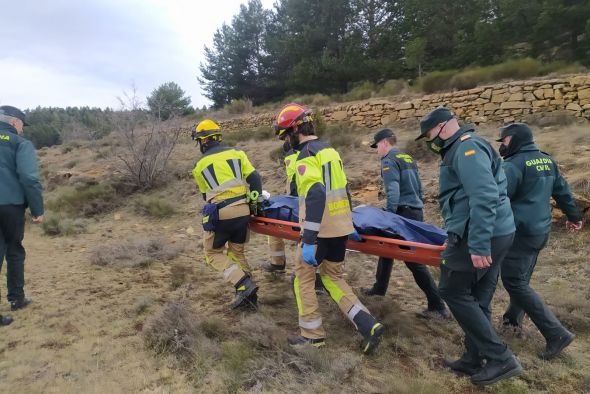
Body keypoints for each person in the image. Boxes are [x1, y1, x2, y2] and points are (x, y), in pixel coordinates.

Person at [416, 107, 521, 385]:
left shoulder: (467, 149)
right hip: (497, 231)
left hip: (481, 234)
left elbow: (484, 196)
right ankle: (474, 357)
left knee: (451, 289)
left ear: (442, 126)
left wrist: (478, 244)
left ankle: (500, 358)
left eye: (429, 134)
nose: (429, 141)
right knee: (478, 296)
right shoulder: (465, 147)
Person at [273, 103, 384, 354]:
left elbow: (314, 193)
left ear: (294, 131)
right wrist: (349, 221)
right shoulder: (331, 151)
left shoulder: (306, 156)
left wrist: (310, 238)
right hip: (340, 227)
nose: (285, 141)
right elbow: (344, 190)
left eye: (285, 135)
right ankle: (368, 324)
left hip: (319, 231)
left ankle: (312, 336)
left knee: (303, 278)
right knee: (333, 277)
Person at [497, 122, 583, 359]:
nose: (502, 146)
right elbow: (563, 191)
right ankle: (512, 321)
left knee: (514, 281)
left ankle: (556, 333)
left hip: (520, 232)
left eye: (503, 141)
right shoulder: (547, 160)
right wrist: (574, 216)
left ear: (514, 139)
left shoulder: (514, 165)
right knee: (521, 279)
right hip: (540, 232)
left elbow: (499, 197)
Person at [363, 128, 450, 320]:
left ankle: (437, 306)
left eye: (377, 146)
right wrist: (417, 205)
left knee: (413, 260)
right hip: (414, 210)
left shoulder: (388, 160)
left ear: (385, 142)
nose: (376, 150)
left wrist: (390, 214)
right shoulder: (407, 157)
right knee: (385, 248)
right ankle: (379, 290)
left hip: (402, 212)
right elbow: (419, 187)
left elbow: (392, 188)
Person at [192, 119, 262, 310]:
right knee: (237, 252)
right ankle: (249, 300)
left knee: (212, 254)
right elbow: (255, 178)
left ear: (204, 141)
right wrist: (254, 202)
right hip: (243, 210)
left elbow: (206, 195)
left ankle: (243, 284)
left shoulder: (199, 165)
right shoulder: (237, 153)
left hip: (221, 212)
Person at [0, 105, 43, 322]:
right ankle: (17, 299)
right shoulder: (19, 143)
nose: (23, 130)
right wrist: (37, 210)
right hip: (10, 206)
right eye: (22, 126)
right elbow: (29, 178)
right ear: (15, 122)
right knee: (14, 251)